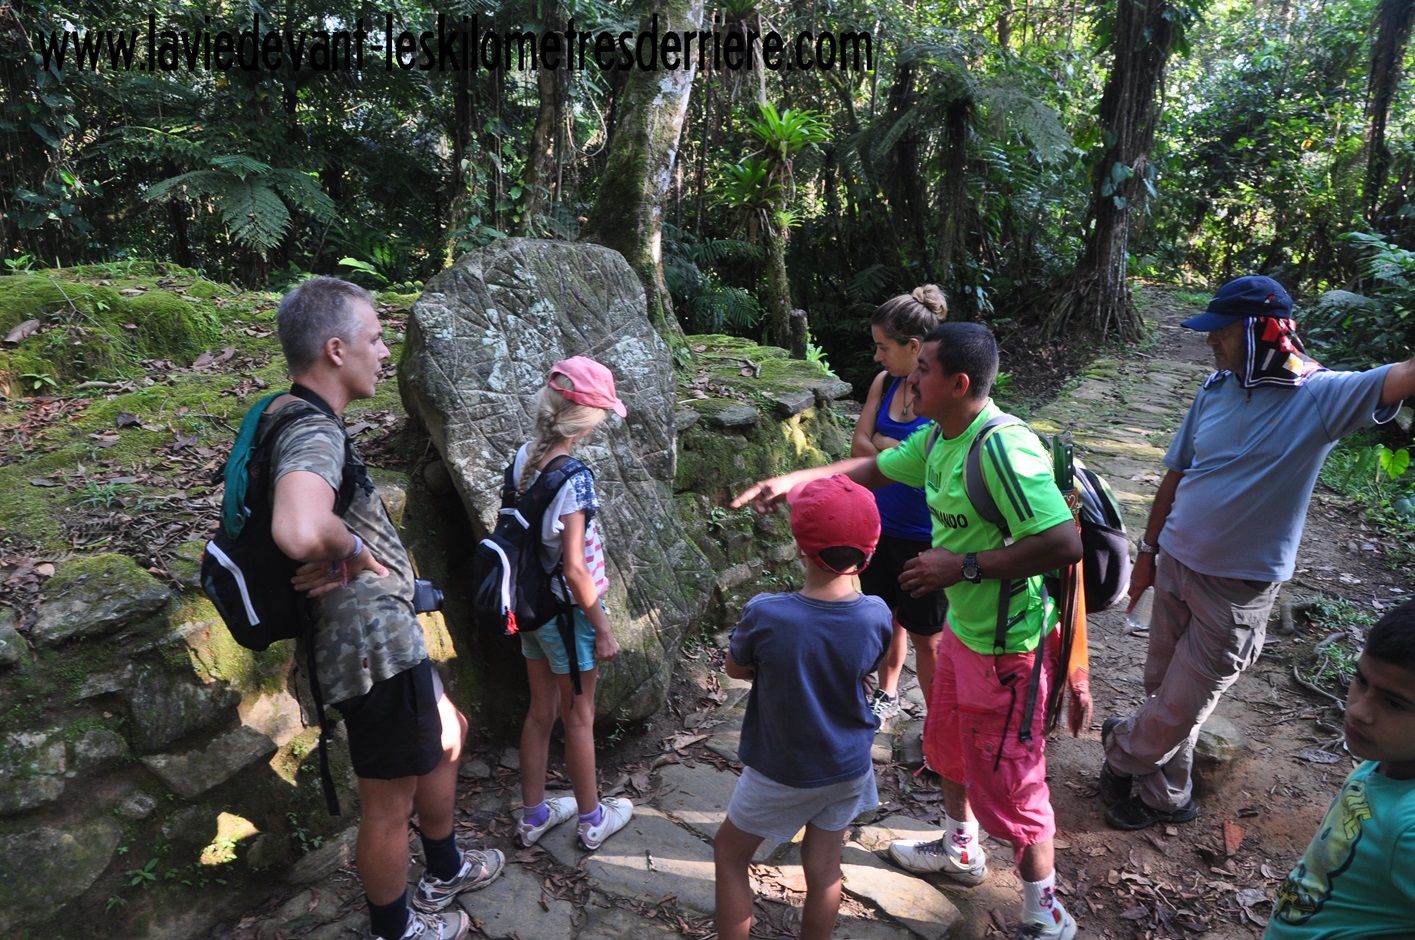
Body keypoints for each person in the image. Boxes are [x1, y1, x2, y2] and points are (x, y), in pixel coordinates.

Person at [734, 322, 1086, 940]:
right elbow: (873, 470)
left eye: (923, 369)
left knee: (1015, 783)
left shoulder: (1002, 450)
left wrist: (962, 566)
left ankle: (1045, 909)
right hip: (964, 633)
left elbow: (1063, 543)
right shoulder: (939, 437)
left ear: (959, 383)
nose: (910, 378)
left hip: (1010, 650)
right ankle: (960, 849)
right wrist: (792, 482)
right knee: (946, 746)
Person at [1099, 275, 1415, 832]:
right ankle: (1166, 797)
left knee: (1180, 703)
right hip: (1175, 563)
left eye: (1220, 332)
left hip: (1236, 588)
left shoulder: (1321, 396)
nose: (1210, 342)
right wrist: (1147, 555)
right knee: (1164, 689)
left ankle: (1121, 751)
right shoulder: (1215, 389)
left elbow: (1405, 376)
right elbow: (1176, 474)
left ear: (1257, 332)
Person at [269, 277, 504, 940]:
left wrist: (346, 550)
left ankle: (444, 867)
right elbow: (297, 528)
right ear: (335, 349)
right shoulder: (311, 430)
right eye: (375, 339)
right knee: (387, 803)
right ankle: (393, 928)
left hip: (386, 640)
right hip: (368, 650)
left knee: (448, 731)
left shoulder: (290, 415)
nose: (383, 353)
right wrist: (351, 549)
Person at [714, 474, 893, 940]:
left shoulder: (767, 612)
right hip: (848, 765)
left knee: (730, 854)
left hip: (783, 768)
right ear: (869, 552)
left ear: (799, 548)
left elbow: (736, 667)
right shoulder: (876, 613)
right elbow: (869, 664)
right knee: (825, 866)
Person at [511, 357, 634, 852]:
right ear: (584, 420)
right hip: (569, 615)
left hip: (531, 608)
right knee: (579, 716)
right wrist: (602, 627)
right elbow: (576, 569)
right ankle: (592, 819)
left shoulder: (524, 457)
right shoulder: (574, 477)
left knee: (540, 712)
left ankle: (533, 815)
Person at [1265, 600, 1415, 939]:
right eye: (1361, 680)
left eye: (1394, 703)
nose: (1359, 711)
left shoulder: (1410, 830)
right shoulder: (1388, 756)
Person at [851, 286, 949, 722]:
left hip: (926, 538)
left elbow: (937, 463)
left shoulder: (942, 394)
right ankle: (887, 692)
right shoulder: (884, 383)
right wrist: (901, 453)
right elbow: (857, 447)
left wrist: (883, 444)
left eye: (883, 347)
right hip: (879, 526)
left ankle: (939, 722)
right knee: (885, 618)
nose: (877, 357)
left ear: (913, 346)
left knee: (928, 637)